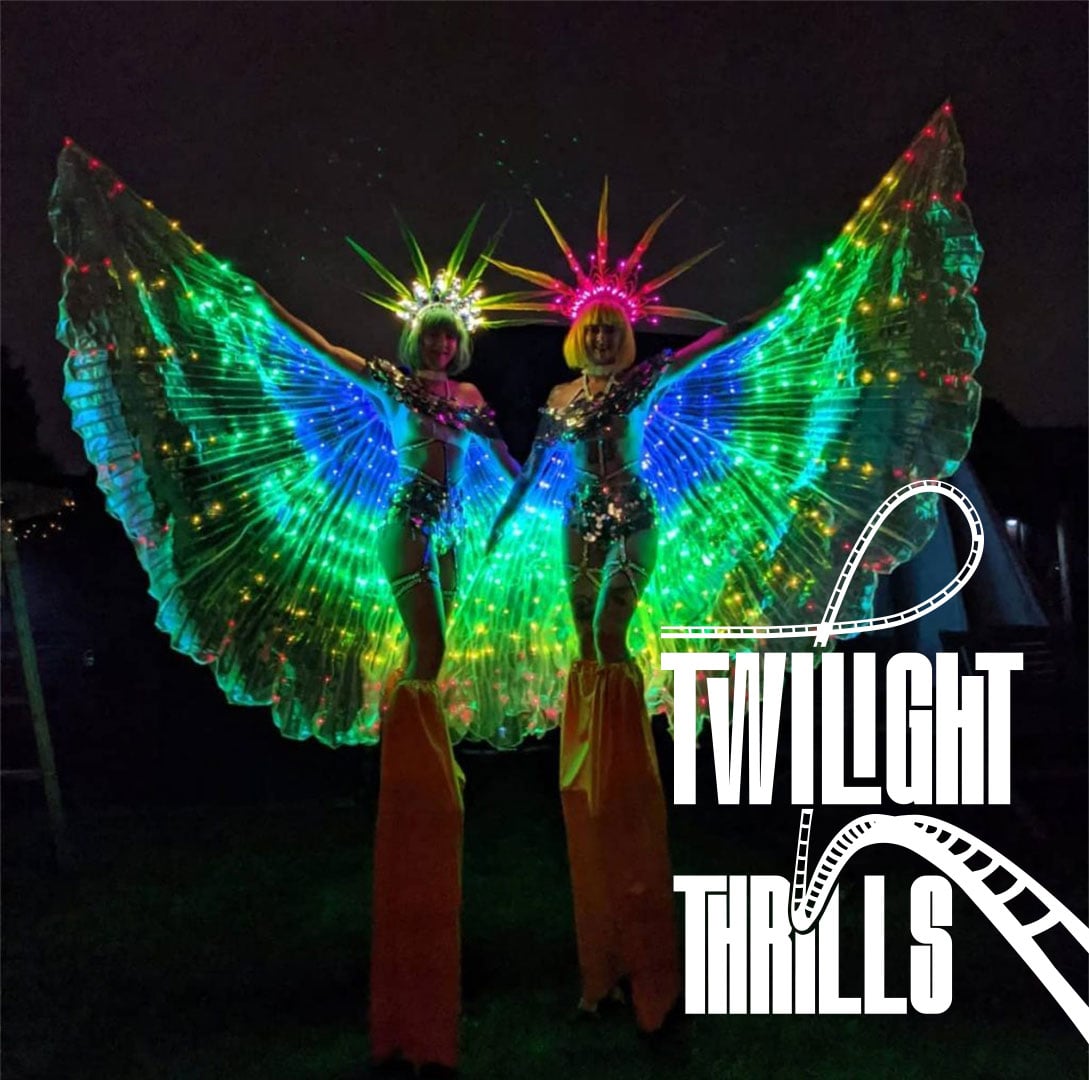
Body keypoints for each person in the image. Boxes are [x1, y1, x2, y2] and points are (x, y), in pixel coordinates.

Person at [262, 285, 519, 1076]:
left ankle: (421, 768)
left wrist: (530, 499)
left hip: (451, 532)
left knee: (431, 660)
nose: (439, 347)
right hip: (407, 521)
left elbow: (506, 465)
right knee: (428, 652)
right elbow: (322, 350)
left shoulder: (470, 399)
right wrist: (270, 306)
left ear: (458, 346)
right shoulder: (392, 384)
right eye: (430, 337)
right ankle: (413, 773)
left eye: (449, 339)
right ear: (417, 340)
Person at [488, 296, 750, 1032]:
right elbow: (535, 466)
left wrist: (747, 317)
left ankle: (621, 755)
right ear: (580, 337)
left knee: (610, 634)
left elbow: (714, 341)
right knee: (587, 644)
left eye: (613, 328)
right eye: (594, 328)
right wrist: (504, 520)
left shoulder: (641, 382)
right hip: (578, 523)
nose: (603, 336)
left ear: (624, 337)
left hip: (632, 517)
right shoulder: (560, 397)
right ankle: (596, 753)